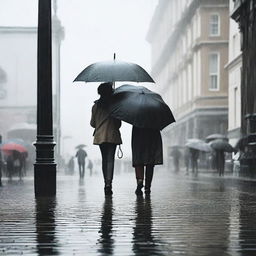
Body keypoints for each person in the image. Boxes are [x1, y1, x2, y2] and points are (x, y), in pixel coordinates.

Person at [90, 82, 122, 195]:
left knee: (104, 160)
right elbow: (118, 124)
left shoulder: (95, 106)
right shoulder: (115, 106)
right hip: (112, 135)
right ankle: (109, 183)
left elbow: (92, 123)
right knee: (110, 160)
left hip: (100, 136)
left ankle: (105, 183)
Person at [132, 126, 163, 196]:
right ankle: (147, 187)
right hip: (151, 139)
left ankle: (140, 181)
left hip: (139, 138)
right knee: (150, 164)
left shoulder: (136, 118)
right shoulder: (154, 118)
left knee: (139, 161)